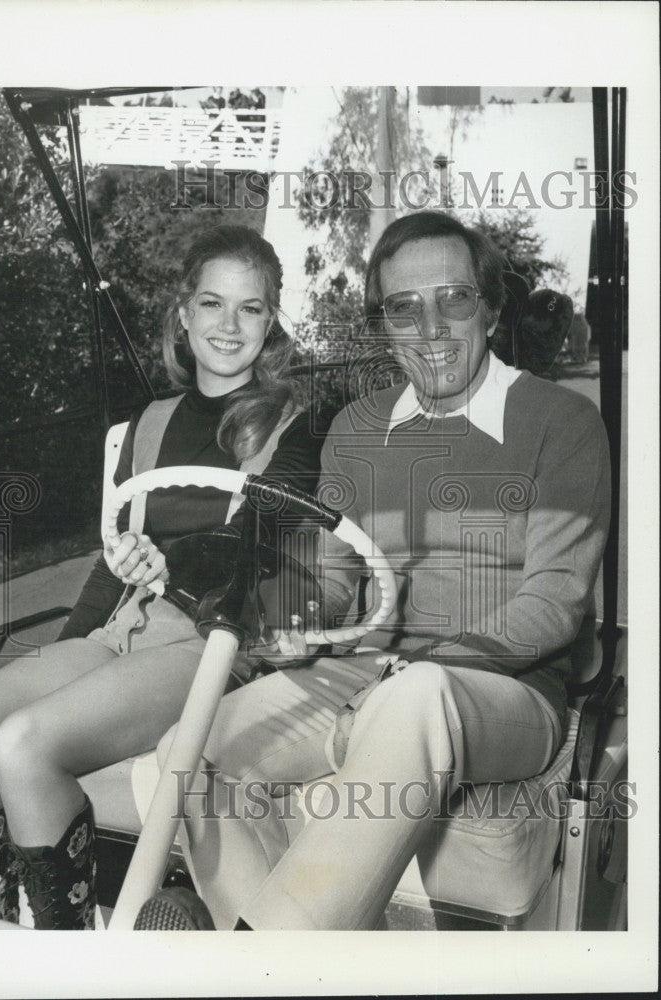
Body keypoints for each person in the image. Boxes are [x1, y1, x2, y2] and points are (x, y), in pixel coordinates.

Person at [154, 210, 611, 930]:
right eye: (403, 306)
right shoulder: (357, 427)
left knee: (417, 693)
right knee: (176, 758)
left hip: (502, 690)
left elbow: (553, 603)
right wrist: (296, 626)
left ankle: (254, 960)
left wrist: (418, 664)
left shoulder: (561, 421)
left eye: (452, 299)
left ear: (489, 310)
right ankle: (280, 953)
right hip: (362, 672)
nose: (428, 327)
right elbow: (332, 581)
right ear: (383, 323)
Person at [0, 224, 329, 930]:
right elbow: (113, 552)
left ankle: (67, 947)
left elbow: (261, 543)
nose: (228, 326)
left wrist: (173, 560)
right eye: (211, 303)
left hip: (212, 637)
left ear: (271, 322)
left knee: (26, 742)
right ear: (183, 312)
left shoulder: (293, 422)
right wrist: (74, 648)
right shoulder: (149, 421)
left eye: (250, 308)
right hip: (125, 625)